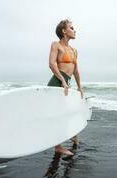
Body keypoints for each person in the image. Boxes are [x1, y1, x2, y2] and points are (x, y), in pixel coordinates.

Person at [47, 19, 84, 156]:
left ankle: (71, 134)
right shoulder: (56, 45)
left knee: (69, 111)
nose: (75, 30)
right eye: (71, 28)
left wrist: (80, 87)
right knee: (58, 114)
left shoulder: (74, 50)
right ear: (64, 31)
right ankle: (58, 146)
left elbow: (75, 71)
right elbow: (51, 64)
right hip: (57, 83)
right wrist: (62, 80)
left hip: (66, 84)